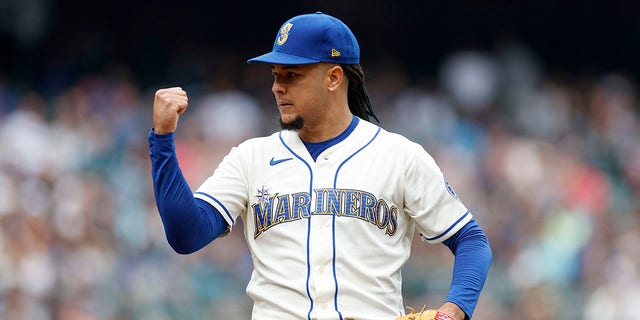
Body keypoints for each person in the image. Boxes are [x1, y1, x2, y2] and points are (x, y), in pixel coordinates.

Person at [149, 11, 492, 320]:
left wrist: (453, 311)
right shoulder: (250, 158)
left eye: (291, 74)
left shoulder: (399, 156)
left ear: (333, 78)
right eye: (275, 74)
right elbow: (186, 235)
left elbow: (471, 240)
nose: (276, 87)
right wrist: (162, 139)